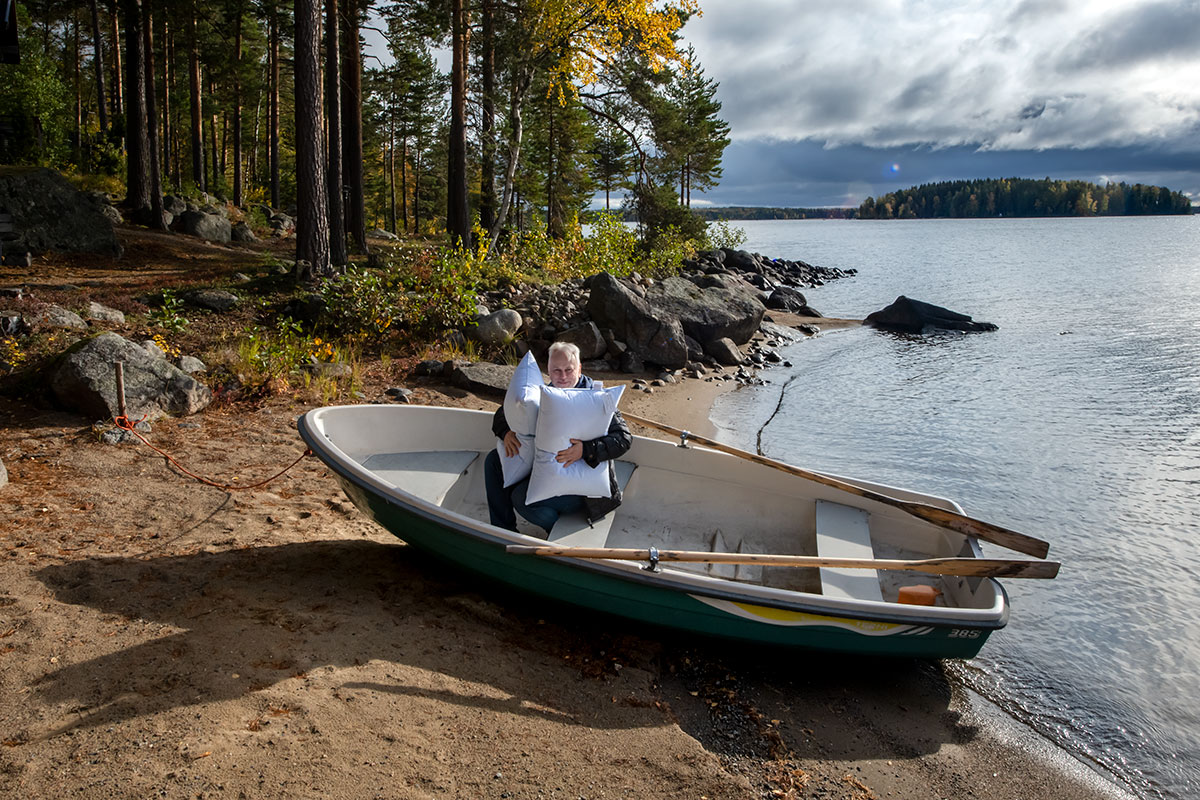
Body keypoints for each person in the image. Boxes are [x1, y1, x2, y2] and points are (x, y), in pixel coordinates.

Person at [484, 341, 631, 533]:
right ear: (548, 370)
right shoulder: (545, 392)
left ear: (579, 369)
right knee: (494, 461)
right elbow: (505, 412)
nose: (562, 377)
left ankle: (556, 531)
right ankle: (502, 532)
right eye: (556, 370)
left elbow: (624, 438)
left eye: (568, 370)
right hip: (547, 467)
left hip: (584, 487)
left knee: (521, 498)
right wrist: (506, 431)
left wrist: (585, 450)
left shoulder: (598, 398)